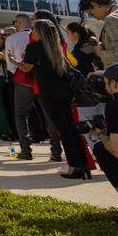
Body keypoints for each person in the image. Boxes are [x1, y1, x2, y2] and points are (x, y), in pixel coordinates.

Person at [20, 18, 92, 180]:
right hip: (64, 92)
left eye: (34, 30)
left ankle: (75, 167)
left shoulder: (34, 47)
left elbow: (26, 67)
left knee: (64, 129)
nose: (32, 32)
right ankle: (83, 164)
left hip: (49, 93)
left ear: (39, 32)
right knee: (70, 128)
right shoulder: (56, 47)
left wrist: (13, 60)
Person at [5, 13, 62, 161]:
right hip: (44, 81)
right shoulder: (50, 37)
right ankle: (56, 150)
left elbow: (11, 65)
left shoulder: (13, 39)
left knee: (21, 115)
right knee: (49, 116)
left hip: (24, 80)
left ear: (18, 23)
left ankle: (26, 150)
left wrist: (15, 63)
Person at [91, 64, 118, 225]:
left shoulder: (116, 105)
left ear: (114, 84)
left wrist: (101, 135)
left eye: (106, 82)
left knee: (102, 150)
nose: (104, 86)